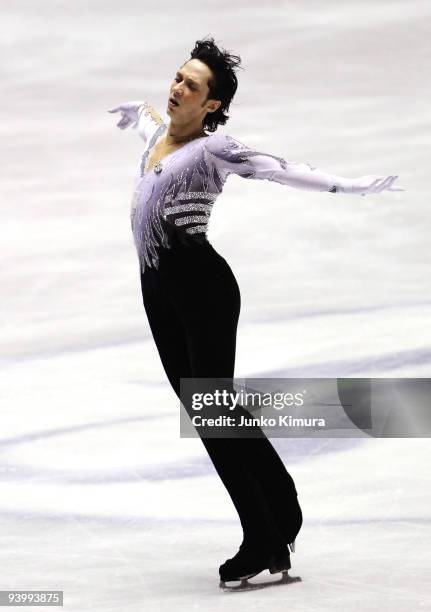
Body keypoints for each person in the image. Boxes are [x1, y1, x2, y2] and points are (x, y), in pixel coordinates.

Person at [108, 37, 404, 587]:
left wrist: (351, 185)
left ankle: (263, 538)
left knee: (213, 414)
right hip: (158, 291)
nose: (177, 88)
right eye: (177, 77)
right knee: (211, 410)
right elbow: (153, 124)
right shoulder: (161, 135)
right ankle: (283, 507)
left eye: (191, 86)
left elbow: (280, 169)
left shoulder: (213, 151)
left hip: (202, 287)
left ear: (212, 106)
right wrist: (138, 112)